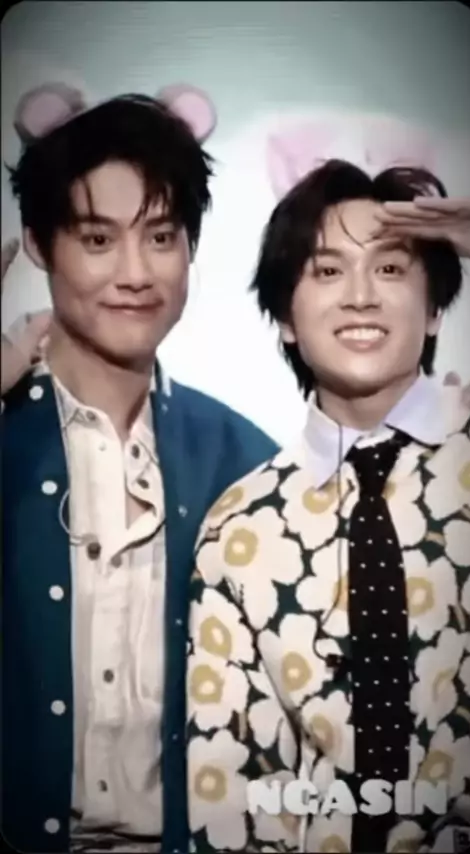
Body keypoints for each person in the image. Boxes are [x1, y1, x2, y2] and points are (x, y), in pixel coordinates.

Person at [1, 82, 279, 854]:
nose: (135, 273)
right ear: (38, 243)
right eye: (97, 240)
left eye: (160, 237)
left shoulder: (246, 460)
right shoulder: (8, 438)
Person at [185, 161, 470, 853]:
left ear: (435, 307)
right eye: (326, 271)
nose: (360, 297)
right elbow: (233, 789)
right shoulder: (241, 526)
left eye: (390, 269)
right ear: (286, 317)